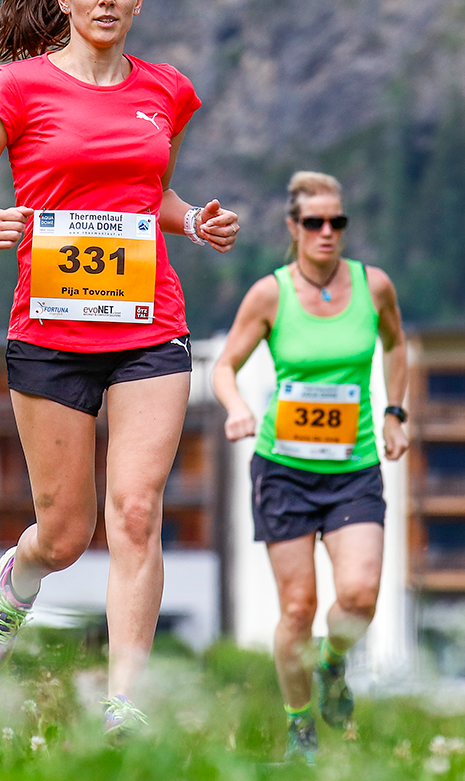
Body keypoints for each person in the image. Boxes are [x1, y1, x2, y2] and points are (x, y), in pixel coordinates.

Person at [0, 0, 239, 732]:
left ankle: (122, 702)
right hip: (49, 332)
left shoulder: (167, 91)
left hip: (149, 327)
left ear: (140, 1)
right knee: (67, 534)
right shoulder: (19, 86)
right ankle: (19, 577)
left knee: (136, 512)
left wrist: (193, 219)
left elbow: (148, 196)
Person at [211, 171, 409, 763]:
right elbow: (224, 366)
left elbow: (398, 345)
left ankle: (332, 664)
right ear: (293, 229)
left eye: (338, 222)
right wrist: (237, 408)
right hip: (284, 469)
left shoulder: (374, 288)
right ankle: (300, 727)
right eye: (315, 223)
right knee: (297, 608)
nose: (328, 232)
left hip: (354, 466)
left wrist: (396, 412)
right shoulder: (270, 294)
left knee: (359, 596)